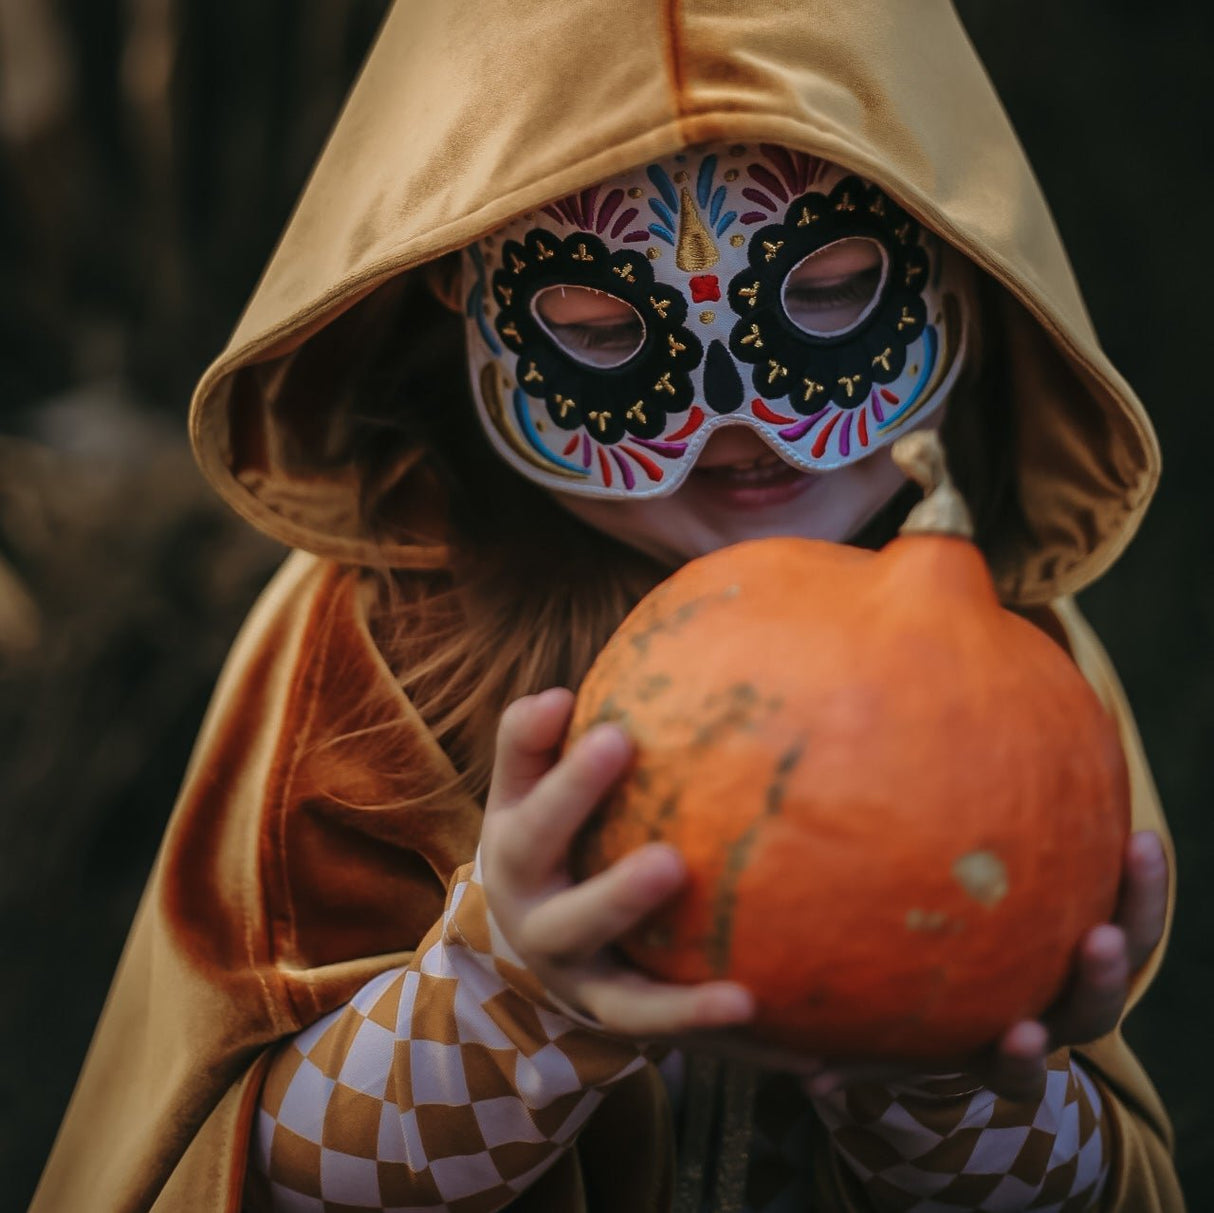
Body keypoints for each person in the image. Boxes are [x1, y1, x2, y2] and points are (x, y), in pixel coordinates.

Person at [32, 1, 1183, 1210]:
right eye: (595, 328)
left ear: (961, 251)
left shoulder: (1008, 666)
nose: (735, 415)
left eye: (833, 289)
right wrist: (509, 1006)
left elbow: (1091, 1182)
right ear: (448, 288)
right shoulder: (376, 646)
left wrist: (946, 1087)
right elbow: (262, 1177)